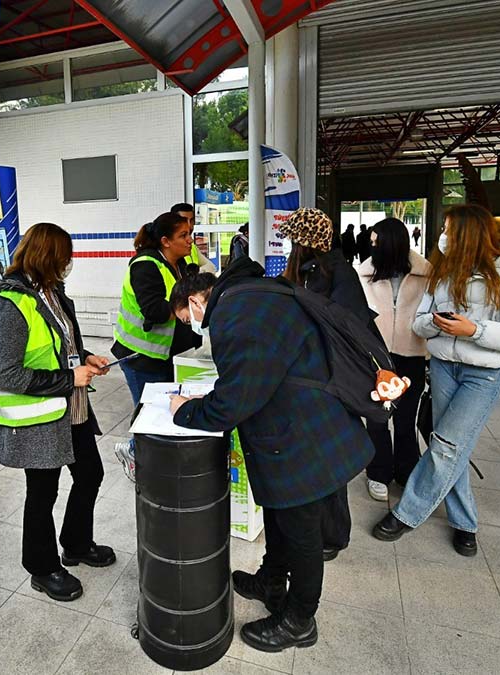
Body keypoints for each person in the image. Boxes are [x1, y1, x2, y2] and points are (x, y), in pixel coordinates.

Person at [167, 256, 374, 652]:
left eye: (187, 318)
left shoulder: (234, 315)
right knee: (281, 516)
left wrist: (187, 410)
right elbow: (256, 374)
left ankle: (299, 620)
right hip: (300, 421)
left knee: (302, 532)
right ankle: (271, 580)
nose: (195, 327)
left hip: (303, 436)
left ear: (196, 300)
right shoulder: (251, 293)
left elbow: (236, 400)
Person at [372, 204, 500, 556]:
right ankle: (465, 524)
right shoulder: (444, 273)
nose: (442, 237)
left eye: (449, 229)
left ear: (469, 233)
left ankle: (406, 514)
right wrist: (435, 323)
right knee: (451, 446)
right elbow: (418, 323)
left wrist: (474, 329)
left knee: (447, 444)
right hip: (445, 367)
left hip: (485, 372)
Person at [0, 223, 116, 602]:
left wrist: (86, 357)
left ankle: (75, 545)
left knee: (90, 474)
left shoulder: (52, 291)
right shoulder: (10, 304)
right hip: (38, 419)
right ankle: (42, 568)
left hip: (71, 409)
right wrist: (68, 377)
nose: (67, 265)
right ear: (45, 257)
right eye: (62, 258)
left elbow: (64, 340)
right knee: (42, 495)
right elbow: (7, 374)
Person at [278, 207, 379, 561]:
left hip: (334, 380)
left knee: (331, 461)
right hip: (313, 377)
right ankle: (320, 530)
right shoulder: (308, 271)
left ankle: (333, 535)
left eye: (293, 238)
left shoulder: (338, 273)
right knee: (318, 459)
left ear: (304, 241)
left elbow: (349, 329)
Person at [357, 217, 431, 502]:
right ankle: (378, 473)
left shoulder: (426, 275)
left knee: (405, 419)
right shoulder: (364, 275)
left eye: (376, 242)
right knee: (376, 418)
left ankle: (406, 471)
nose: (371, 246)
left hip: (412, 356)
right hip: (376, 358)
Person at [113, 212, 202, 404]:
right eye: (183, 235)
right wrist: (190, 307)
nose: (190, 240)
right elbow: (155, 311)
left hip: (170, 356)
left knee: (168, 411)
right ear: (165, 241)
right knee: (148, 417)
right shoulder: (145, 266)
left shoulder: (181, 263)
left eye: (190, 234)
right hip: (142, 357)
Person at [172, 202, 219, 274]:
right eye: (184, 221)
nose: (189, 225)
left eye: (191, 221)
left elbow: (212, 267)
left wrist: (196, 273)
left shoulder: (193, 247)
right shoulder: (171, 248)